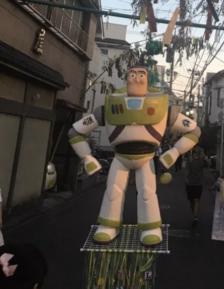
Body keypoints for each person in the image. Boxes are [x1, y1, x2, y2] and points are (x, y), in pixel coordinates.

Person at [68, 65, 200, 246]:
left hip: (146, 158)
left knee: (147, 193)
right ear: (126, 77)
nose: (136, 78)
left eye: (141, 74)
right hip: (120, 158)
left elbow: (194, 131)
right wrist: (87, 157)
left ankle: (150, 227)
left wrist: (175, 151)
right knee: (113, 191)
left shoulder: (163, 107)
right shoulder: (109, 106)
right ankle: (108, 225)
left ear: (147, 79)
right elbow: (75, 132)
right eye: (132, 74)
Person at [185, 146, 208, 226]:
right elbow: (186, 170)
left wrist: (205, 158)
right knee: (193, 201)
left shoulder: (199, 160)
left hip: (195, 183)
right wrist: (186, 178)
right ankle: (195, 215)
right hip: (193, 183)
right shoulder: (191, 160)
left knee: (195, 200)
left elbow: (208, 164)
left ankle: (195, 217)